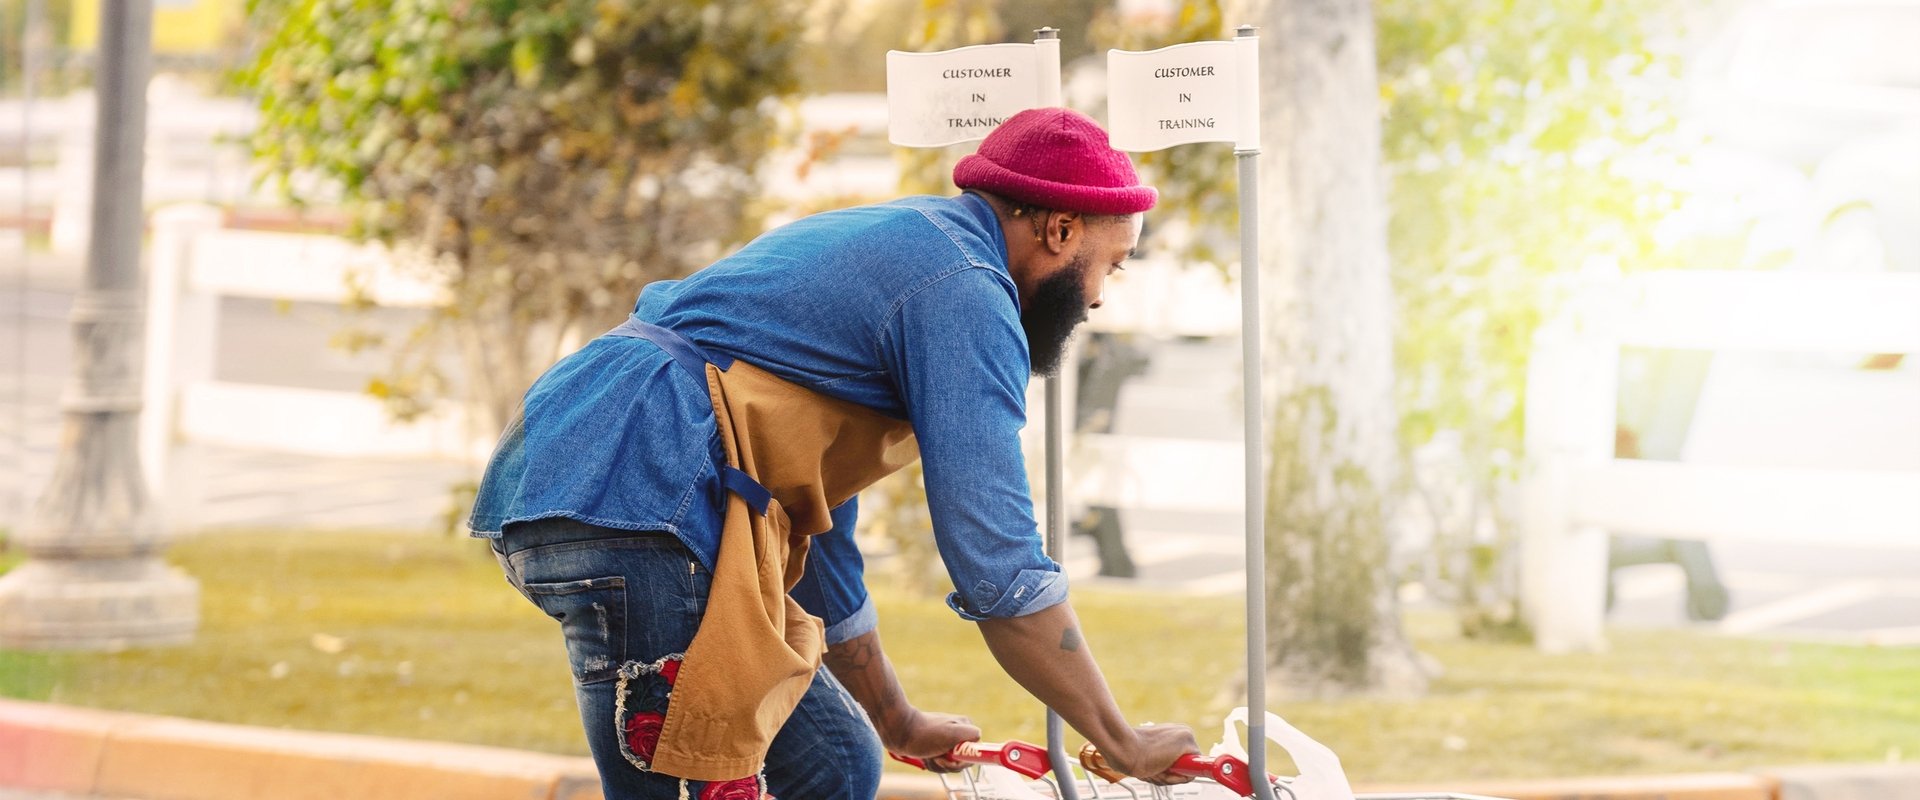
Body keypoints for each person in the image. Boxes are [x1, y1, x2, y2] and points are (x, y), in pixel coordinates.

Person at [468, 107, 1200, 799]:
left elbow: (822, 540)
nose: (1100, 296)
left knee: (835, 759)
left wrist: (896, 722)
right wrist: (1121, 741)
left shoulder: (920, 245)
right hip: (637, 493)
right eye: (1114, 263)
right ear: (1061, 229)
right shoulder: (967, 289)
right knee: (694, 781)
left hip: (585, 471)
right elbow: (998, 562)